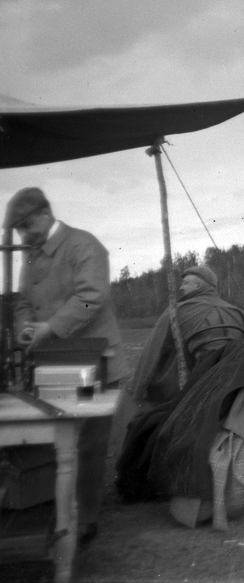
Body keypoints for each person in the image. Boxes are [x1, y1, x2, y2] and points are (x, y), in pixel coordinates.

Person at [5, 187, 128, 543]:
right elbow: (23, 301)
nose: (24, 235)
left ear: (46, 214)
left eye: (27, 226)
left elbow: (91, 297)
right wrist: (24, 328)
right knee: (53, 441)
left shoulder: (84, 245)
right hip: (52, 363)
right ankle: (57, 515)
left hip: (95, 361)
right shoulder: (30, 256)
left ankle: (85, 520)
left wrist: (49, 328)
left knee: (88, 443)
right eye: (19, 230)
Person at [128, 265, 244, 409]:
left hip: (184, 395)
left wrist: (134, 390)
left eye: (185, 283)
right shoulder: (238, 313)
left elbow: (151, 355)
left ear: (198, 285)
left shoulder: (176, 311)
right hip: (232, 392)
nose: (181, 287)